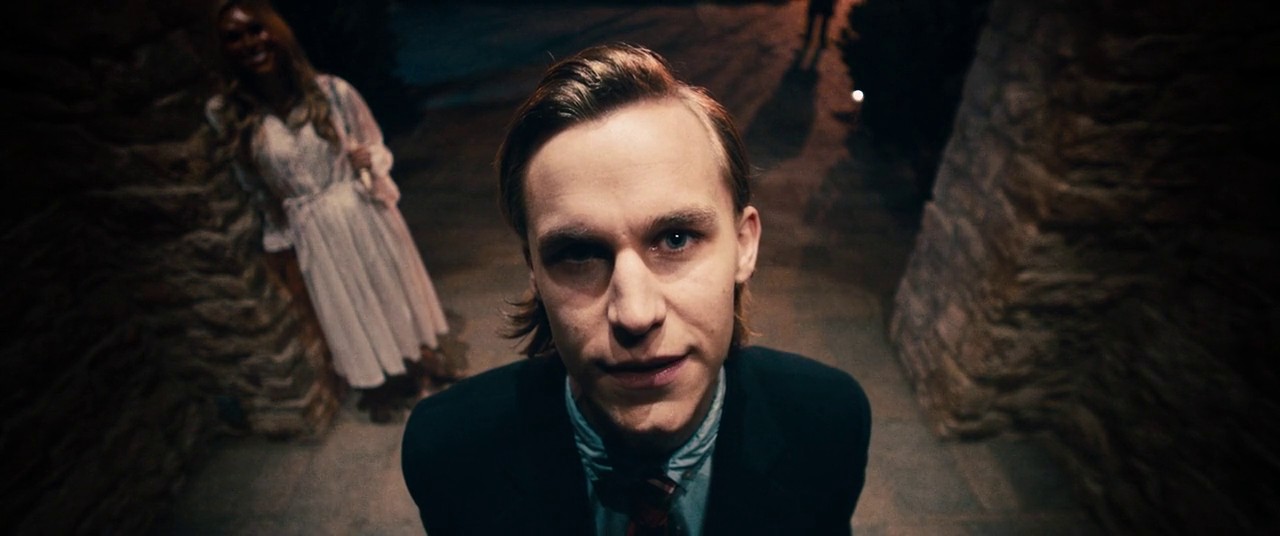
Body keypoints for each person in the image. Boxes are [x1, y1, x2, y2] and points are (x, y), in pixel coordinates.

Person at [401, 43, 871, 534]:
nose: (635, 314)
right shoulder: (448, 453)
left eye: (675, 239)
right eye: (579, 253)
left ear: (743, 245)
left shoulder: (829, 423)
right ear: (534, 272)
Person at [204, 0, 463, 423]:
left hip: (359, 209)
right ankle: (381, 378)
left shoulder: (331, 92)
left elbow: (374, 142)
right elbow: (253, 187)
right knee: (347, 308)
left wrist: (368, 160)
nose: (249, 43)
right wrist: (280, 244)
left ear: (275, 31)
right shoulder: (233, 117)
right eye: (234, 37)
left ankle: (420, 367)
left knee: (390, 289)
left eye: (256, 29)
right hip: (312, 229)